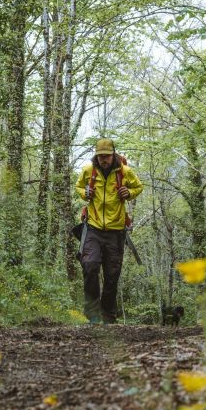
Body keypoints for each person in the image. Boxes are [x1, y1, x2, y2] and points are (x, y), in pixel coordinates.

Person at [75, 138, 143, 323]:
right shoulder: (88, 171)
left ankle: (108, 316)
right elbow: (79, 186)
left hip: (116, 230)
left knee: (112, 274)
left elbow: (138, 187)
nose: (103, 159)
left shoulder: (124, 171)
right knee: (89, 265)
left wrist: (129, 193)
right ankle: (92, 314)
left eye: (107, 156)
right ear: (96, 156)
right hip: (93, 227)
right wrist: (84, 193)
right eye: (100, 156)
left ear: (113, 154)